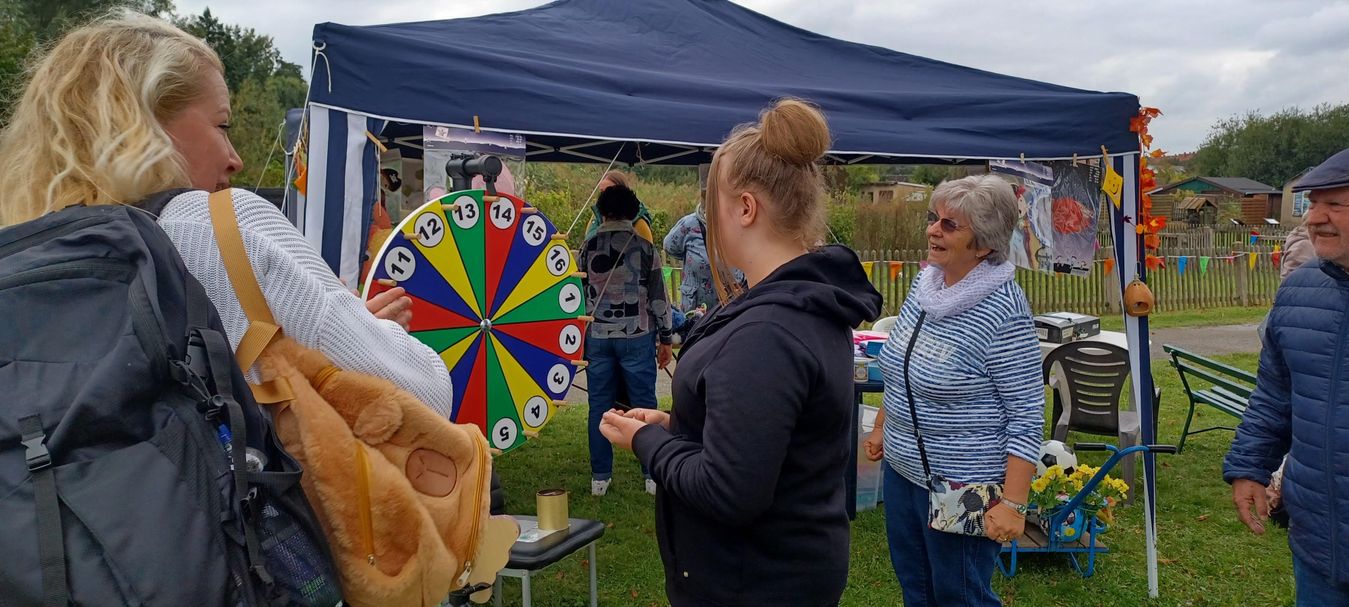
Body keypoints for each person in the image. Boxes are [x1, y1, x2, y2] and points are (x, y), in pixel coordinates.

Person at [0, 11, 453, 416]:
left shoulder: (25, 260)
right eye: (222, 126)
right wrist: (365, 330)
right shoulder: (218, 224)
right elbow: (425, 392)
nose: (235, 159)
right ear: (144, 123)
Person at [599, 99, 881, 606]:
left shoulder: (768, 331)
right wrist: (680, 425)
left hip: (753, 584)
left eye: (714, 205)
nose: (709, 220)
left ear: (746, 208)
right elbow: (774, 436)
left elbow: (728, 490)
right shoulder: (800, 302)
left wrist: (647, 441)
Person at [863, 174, 1043, 607]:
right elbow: (902, 365)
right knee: (917, 588)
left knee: (960, 595)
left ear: (983, 244)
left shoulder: (1004, 311)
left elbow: (1026, 414)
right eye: (933, 218)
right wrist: (882, 427)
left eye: (949, 225)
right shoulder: (926, 286)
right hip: (903, 471)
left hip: (962, 485)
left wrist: (1014, 504)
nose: (933, 230)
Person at [1225, 147, 1349, 605]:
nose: (1314, 218)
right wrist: (1249, 467)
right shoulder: (1300, 290)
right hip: (1320, 544)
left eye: (1333, 204)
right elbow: (1274, 395)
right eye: (1312, 204)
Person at [580, 183, 673, 497]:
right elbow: (659, 298)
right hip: (637, 335)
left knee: (599, 406)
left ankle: (600, 478)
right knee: (644, 404)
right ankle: (651, 475)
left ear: (602, 212)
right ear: (632, 211)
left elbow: (577, 295)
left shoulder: (588, 246)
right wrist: (665, 338)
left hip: (597, 336)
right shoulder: (644, 248)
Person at [663, 196, 745, 314]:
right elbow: (670, 247)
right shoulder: (688, 225)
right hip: (696, 308)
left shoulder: (741, 222)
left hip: (732, 305)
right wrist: (692, 259)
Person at [585, 170, 655, 243]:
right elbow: (586, 242)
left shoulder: (639, 222)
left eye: (610, 190)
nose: (605, 195)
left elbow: (648, 247)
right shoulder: (596, 216)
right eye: (602, 191)